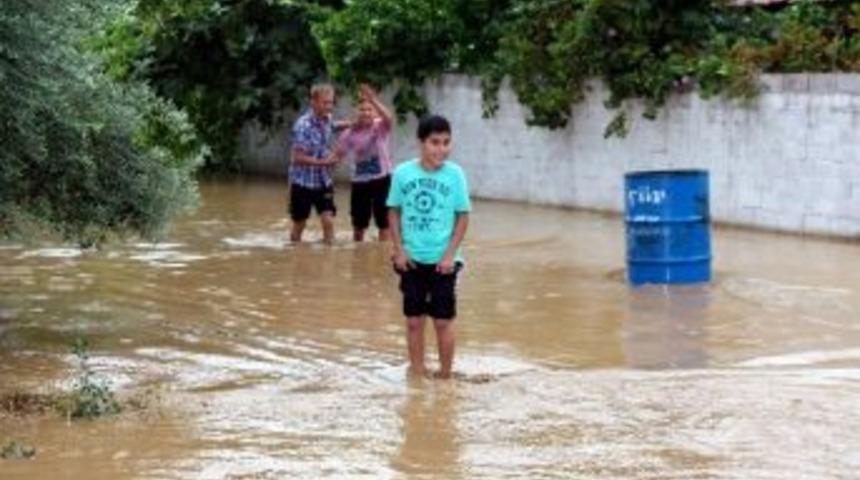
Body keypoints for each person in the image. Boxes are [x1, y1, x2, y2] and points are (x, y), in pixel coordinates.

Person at [387, 115, 471, 379]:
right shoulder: (402, 173)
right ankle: (418, 373)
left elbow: (463, 216)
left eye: (446, 143)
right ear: (421, 143)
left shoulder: (455, 174)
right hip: (411, 259)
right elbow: (393, 211)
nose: (441, 149)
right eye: (435, 143)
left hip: (443, 262)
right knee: (413, 321)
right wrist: (399, 250)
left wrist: (449, 256)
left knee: (443, 320)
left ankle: (446, 376)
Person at [329, 84, 394, 242]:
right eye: (362, 109)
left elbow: (389, 118)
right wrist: (323, 164)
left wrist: (373, 99)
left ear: (374, 112)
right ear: (356, 112)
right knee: (359, 223)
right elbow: (337, 155)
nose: (366, 113)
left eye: (369, 109)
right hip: (360, 182)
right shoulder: (349, 133)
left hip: (382, 179)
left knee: (383, 222)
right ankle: (358, 252)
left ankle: (380, 254)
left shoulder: (380, 126)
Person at [288, 83, 339, 243]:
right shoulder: (303, 125)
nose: (329, 106)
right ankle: (295, 255)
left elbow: (333, 126)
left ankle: (328, 259)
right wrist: (324, 162)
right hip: (302, 183)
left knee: (328, 221)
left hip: (324, 181)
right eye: (325, 103)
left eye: (331, 102)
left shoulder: (327, 119)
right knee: (300, 224)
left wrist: (351, 124)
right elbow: (297, 157)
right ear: (313, 102)